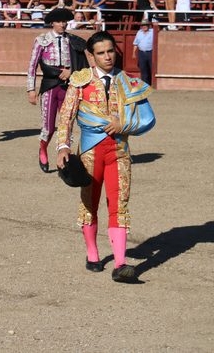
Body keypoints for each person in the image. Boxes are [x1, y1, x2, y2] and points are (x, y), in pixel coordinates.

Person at [56, 30, 155, 283]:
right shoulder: (81, 81)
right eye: (101, 53)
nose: (107, 57)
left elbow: (147, 119)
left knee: (119, 205)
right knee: (89, 203)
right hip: (90, 153)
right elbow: (66, 116)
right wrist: (63, 147)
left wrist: (124, 124)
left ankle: (120, 263)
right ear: (91, 56)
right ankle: (92, 254)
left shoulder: (127, 81)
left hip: (119, 152)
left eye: (110, 51)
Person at [26, 7, 89, 172]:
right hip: (49, 86)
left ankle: (64, 157)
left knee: (66, 123)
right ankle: (42, 149)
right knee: (48, 126)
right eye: (60, 21)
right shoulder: (42, 40)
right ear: (52, 23)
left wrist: (71, 71)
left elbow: (82, 64)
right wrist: (30, 89)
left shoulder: (72, 41)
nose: (63, 24)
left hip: (68, 86)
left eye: (65, 21)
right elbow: (32, 66)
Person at [132, 20, 154, 85]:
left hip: (151, 52)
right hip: (141, 53)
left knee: (151, 68)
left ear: (148, 26)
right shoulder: (139, 32)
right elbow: (135, 43)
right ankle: (145, 85)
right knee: (143, 68)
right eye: (143, 25)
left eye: (146, 25)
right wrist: (133, 53)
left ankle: (151, 83)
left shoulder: (152, 32)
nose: (144, 27)